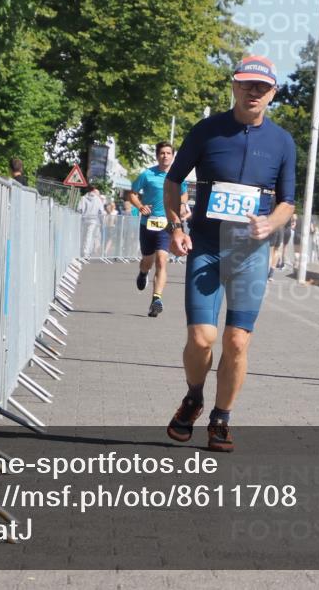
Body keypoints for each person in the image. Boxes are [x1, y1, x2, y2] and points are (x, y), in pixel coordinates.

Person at [162, 55, 295, 453]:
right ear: (234, 86)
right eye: (247, 84)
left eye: (263, 87)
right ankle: (193, 396)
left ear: (272, 93)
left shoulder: (282, 142)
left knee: (237, 342)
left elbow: (289, 202)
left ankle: (221, 418)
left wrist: (270, 224)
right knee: (203, 338)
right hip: (205, 245)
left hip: (251, 253)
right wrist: (176, 227)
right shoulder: (206, 132)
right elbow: (173, 183)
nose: (254, 92)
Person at [127, 142, 188, 317]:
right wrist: (140, 206)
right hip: (148, 223)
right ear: (157, 155)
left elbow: (183, 192)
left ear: (173, 156)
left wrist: (183, 203)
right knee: (148, 259)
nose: (165, 156)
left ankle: (156, 299)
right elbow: (132, 192)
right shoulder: (147, 174)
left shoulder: (177, 176)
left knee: (162, 260)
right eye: (162, 153)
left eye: (168, 153)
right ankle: (143, 272)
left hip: (167, 224)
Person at [78, 185, 105, 259]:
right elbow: (101, 211)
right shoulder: (98, 199)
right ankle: (86, 253)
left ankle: (81, 251)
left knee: (83, 235)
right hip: (93, 220)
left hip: (84, 219)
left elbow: (80, 209)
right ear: (93, 190)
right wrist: (102, 220)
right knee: (89, 236)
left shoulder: (83, 198)